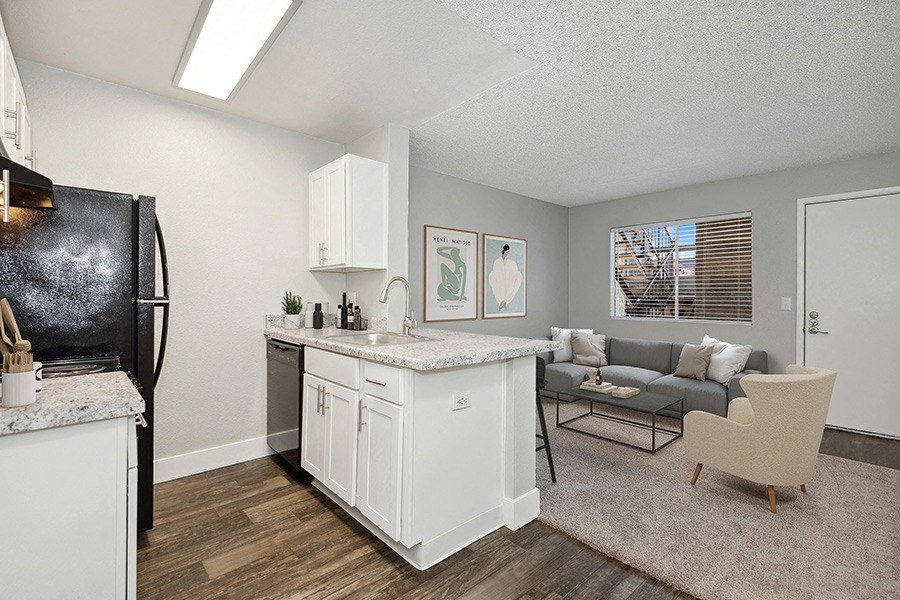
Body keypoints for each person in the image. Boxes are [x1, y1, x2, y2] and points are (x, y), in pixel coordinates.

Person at [488, 243, 522, 311]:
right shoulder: (497, 262)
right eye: (507, 252)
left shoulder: (511, 263)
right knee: (492, 276)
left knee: (518, 276)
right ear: (503, 251)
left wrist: (507, 298)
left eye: (508, 252)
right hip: (500, 285)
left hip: (508, 286)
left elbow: (511, 277)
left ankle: (505, 300)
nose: (508, 253)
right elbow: (497, 276)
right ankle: (502, 301)